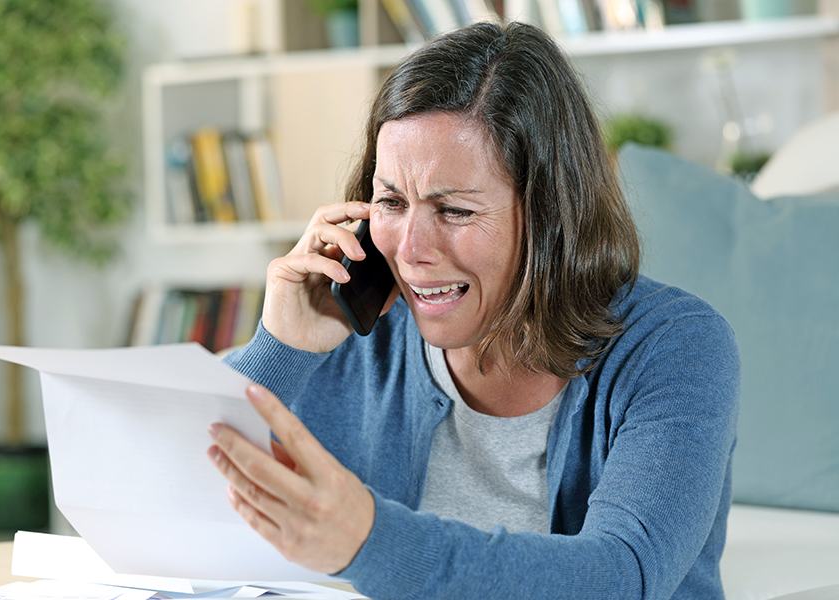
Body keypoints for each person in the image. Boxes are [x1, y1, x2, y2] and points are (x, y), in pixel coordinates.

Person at [206, 21, 740, 600]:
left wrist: (368, 542)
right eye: (391, 201)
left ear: (548, 217)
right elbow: (172, 487)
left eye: (454, 210)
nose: (409, 252)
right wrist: (280, 350)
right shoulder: (354, 336)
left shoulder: (675, 346)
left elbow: (622, 577)